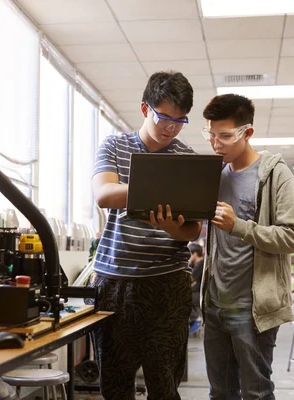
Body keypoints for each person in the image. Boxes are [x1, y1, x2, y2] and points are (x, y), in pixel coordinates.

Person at [90, 71, 202, 400]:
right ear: (144, 109)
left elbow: (193, 229)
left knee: (165, 386)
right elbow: (104, 194)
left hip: (167, 284)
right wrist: (156, 190)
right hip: (115, 283)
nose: (171, 127)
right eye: (164, 117)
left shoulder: (186, 159)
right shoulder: (114, 145)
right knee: (115, 385)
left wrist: (168, 224)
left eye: (180, 120)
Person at [200, 94, 294, 400]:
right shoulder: (214, 176)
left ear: (248, 133)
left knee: (256, 392)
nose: (216, 144)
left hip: (253, 309)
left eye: (225, 136)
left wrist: (239, 226)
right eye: (211, 135)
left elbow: (293, 236)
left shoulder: (274, 174)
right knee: (220, 393)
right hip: (216, 304)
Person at [188, 242, 205, 333]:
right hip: (198, 292)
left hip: (199, 294)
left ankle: (195, 318)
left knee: (184, 297)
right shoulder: (199, 263)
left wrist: (189, 263)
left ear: (194, 254)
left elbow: (190, 278)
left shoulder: (200, 263)